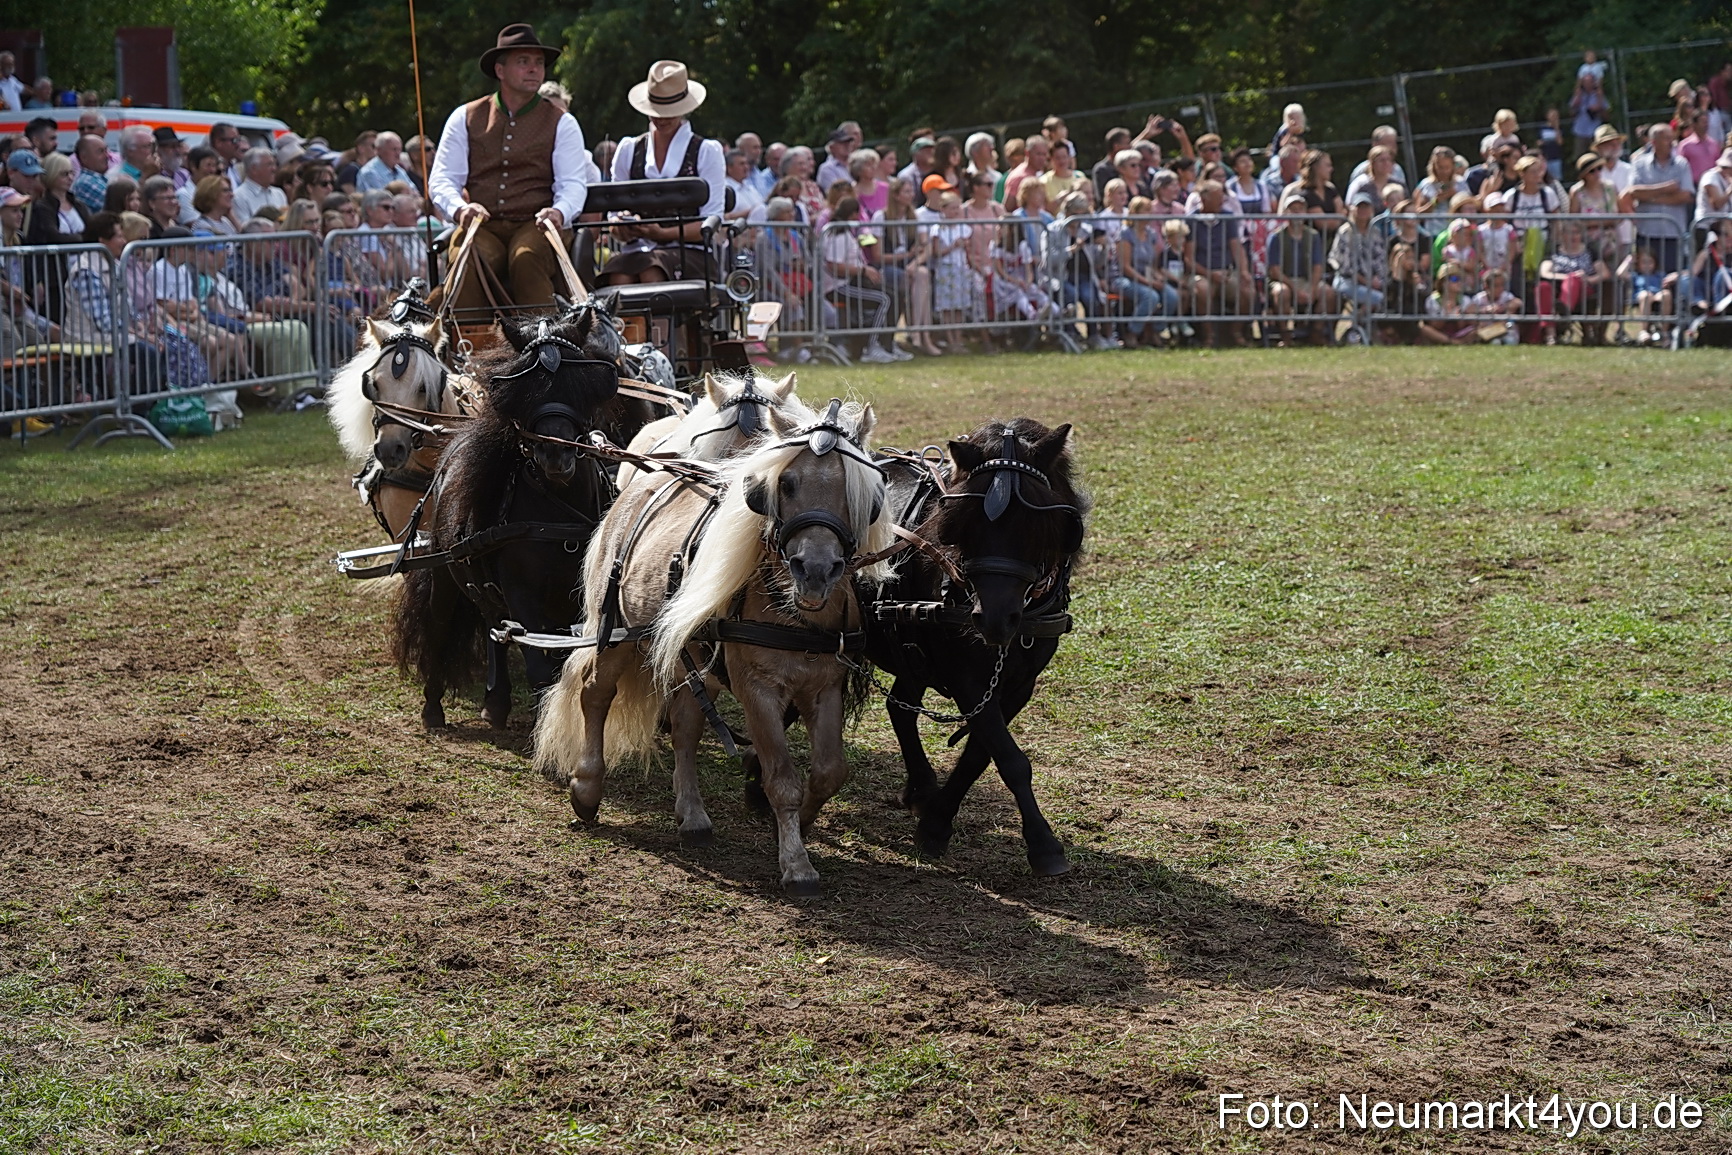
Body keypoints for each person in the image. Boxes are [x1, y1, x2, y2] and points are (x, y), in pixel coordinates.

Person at [427, 25, 587, 310]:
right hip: (483, 225)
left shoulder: (562, 122)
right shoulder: (464, 117)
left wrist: (559, 212)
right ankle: (465, 335)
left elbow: (573, 183)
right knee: (468, 255)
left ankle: (545, 333)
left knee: (526, 257)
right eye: (523, 61)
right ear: (500, 71)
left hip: (536, 223)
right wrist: (460, 209)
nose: (534, 69)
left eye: (539, 62)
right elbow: (442, 179)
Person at [600, 60, 725, 288]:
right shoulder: (628, 150)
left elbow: (710, 222)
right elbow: (614, 218)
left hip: (689, 251)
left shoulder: (706, 151)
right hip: (636, 251)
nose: (662, 118)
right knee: (619, 276)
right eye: (655, 110)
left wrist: (662, 233)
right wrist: (622, 225)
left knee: (651, 270)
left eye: (670, 111)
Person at [1184, 179, 1249, 347]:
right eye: (1218, 197)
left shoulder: (1228, 217)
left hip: (1226, 272)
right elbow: (1189, 259)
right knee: (1202, 289)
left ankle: (1236, 332)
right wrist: (1210, 274)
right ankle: (1209, 336)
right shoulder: (1192, 220)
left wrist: (1244, 271)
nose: (1222, 200)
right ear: (1204, 199)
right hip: (1201, 273)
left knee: (1247, 290)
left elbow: (1237, 248)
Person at [1625, 123, 1695, 277]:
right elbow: (1634, 191)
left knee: (1672, 278)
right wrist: (1667, 188)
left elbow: (1686, 195)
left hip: (1673, 233)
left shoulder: (1681, 164)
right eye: (1666, 139)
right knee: (1646, 280)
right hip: (1647, 233)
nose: (1671, 142)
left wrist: (1650, 197)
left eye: (1671, 138)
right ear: (1654, 142)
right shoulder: (1639, 163)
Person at [1266, 195, 1335, 344]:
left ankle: (1316, 332)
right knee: (1282, 292)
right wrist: (1295, 290)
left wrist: (1313, 288)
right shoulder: (1276, 237)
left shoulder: (1313, 236)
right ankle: (1285, 335)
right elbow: (1274, 271)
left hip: (1306, 280)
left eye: (1300, 209)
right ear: (1286, 213)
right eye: (1293, 209)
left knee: (1328, 292)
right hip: (1284, 281)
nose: (1297, 212)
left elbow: (1318, 266)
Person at [233, 148, 287, 222]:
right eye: (269, 164)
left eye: (274, 164)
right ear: (254, 169)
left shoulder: (279, 194)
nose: (274, 169)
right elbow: (244, 227)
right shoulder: (239, 197)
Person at [1571, 71, 1610, 157]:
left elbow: (1607, 116)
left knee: (1597, 156)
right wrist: (1577, 101)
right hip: (1580, 131)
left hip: (1595, 131)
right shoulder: (1578, 95)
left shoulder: (1599, 96)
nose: (1587, 85)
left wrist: (1598, 108)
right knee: (1580, 156)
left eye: (1589, 82)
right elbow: (1571, 113)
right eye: (1585, 82)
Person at [70, 136, 110, 215]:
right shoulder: (85, 182)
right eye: (101, 151)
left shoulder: (99, 179)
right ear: (84, 158)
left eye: (106, 151)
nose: (107, 156)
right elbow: (118, 205)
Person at [816, 123, 859, 192]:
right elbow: (836, 193)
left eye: (848, 142)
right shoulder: (827, 169)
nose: (847, 145)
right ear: (831, 147)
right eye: (842, 143)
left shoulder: (857, 163)